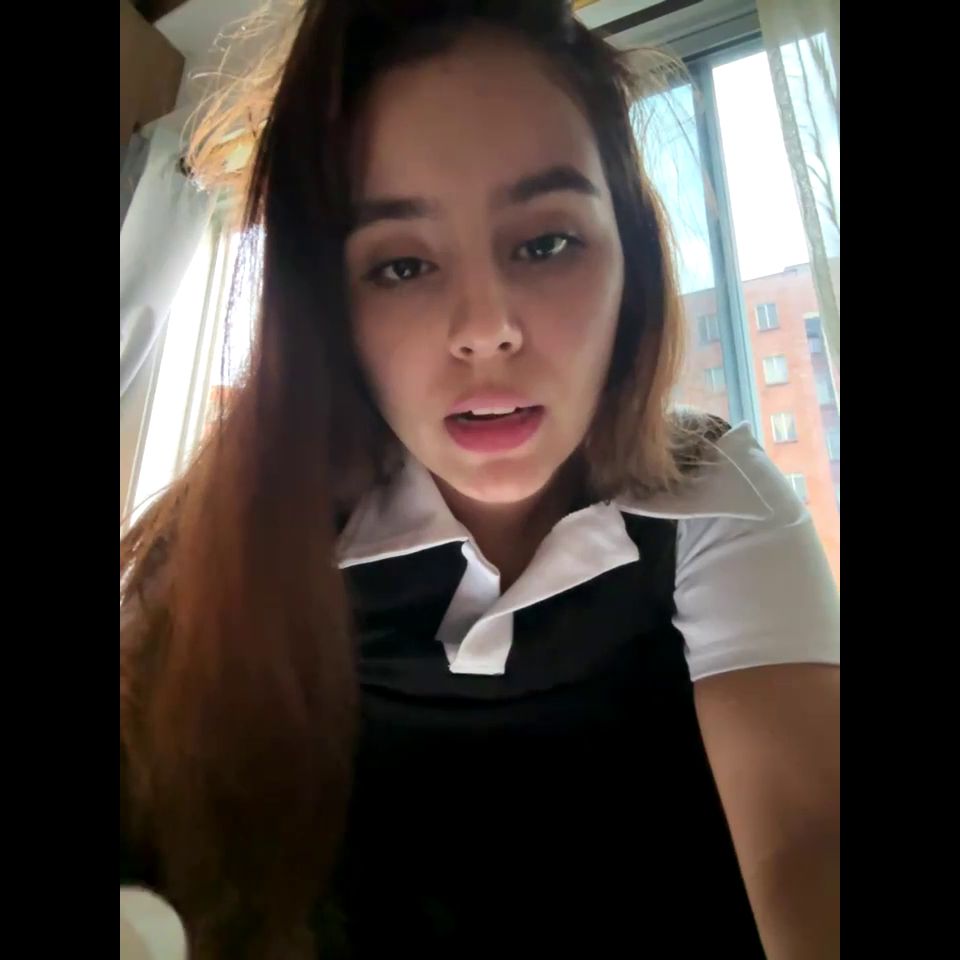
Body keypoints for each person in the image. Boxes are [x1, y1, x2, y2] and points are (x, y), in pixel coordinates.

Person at [119, 2, 840, 957]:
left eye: (546, 244)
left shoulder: (713, 496)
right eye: (401, 265)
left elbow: (808, 843)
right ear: (328, 306)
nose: (484, 328)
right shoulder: (237, 531)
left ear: (630, 258)